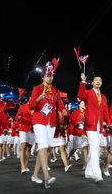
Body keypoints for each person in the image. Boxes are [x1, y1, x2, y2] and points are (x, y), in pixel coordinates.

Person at [29, 59, 65, 188]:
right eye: (48, 76)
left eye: (52, 76)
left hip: (51, 123)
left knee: (46, 149)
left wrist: (64, 110)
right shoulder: (37, 89)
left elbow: (59, 103)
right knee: (43, 147)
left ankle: (34, 175)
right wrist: (39, 98)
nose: (50, 78)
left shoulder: (55, 90)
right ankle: (46, 176)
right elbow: (31, 106)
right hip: (39, 121)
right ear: (43, 77)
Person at [78, 73, 112, 183]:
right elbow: (81, 96)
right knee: (95, 146)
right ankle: (97, 174)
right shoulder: (87, 92)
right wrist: (83, 82)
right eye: (96, 80)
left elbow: (106, 112)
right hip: (90, 124)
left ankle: (88, 171)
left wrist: (109, 123)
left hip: (100, 125)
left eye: (100, 80)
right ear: (92, 82)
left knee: (94, 148)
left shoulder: (104, 97)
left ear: (101, 83)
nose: (98, 81)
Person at [16, 99, 35, 174]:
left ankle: (26, 165)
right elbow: (17, 116)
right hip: (24, 128)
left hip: (33, 129)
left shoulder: (37, 107)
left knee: (29, 148)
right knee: (23, 146)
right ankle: (22, 167)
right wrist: (19, 117)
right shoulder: (23, 106)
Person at [68, 101, 89, 170]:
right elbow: (72, 120)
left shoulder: (87, 113)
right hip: (77, 132)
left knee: (86, 148)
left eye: (84, 103)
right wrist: (77, 122)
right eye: (82, 103)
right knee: (75, 148)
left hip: (84, 132)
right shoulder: (76, 112)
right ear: (79, 105)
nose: (84, 104)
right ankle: (68, 157)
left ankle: (85, 164)